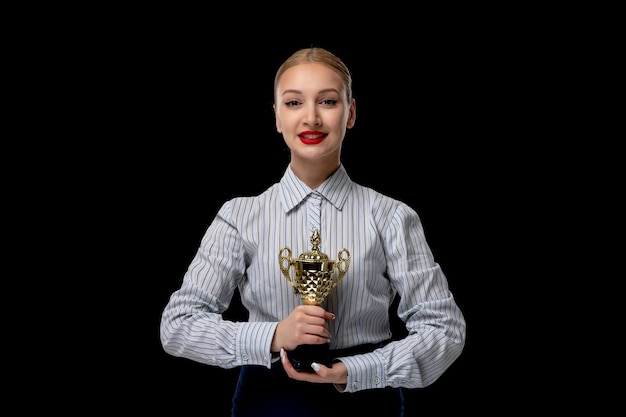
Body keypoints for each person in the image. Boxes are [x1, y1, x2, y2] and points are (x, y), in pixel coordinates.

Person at [160, 47, 466, 417]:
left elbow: (444, 330)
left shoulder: (391, 217)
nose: (311, 118)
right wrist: (274, 336)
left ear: (350, 113)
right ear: (276, 117)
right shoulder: (240, 216)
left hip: (367, 404)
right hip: (267, 402)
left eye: (328, 101)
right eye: (293, 103)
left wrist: (359, 370)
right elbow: (178, 325)